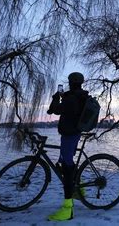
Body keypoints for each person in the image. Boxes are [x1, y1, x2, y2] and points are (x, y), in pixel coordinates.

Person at [46, 72, 89, 221]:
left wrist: (55, 98)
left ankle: (67, 209)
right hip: (72, 133)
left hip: (70, 135)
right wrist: (62, 97)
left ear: (71, 82)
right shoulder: (76, 96)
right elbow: (65, 108)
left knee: (67, 168)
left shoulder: (71, 98)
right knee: (67, 162)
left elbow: (55, 110)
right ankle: (80, 190)